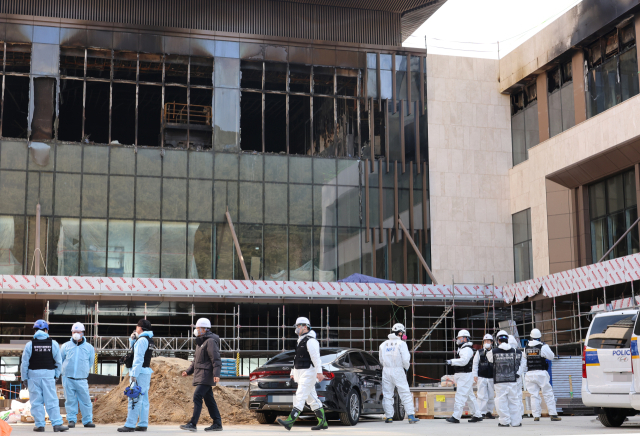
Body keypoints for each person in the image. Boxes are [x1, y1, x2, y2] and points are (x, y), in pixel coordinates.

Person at [277, 317, 327, 431]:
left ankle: (290, 421)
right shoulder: (301, 340)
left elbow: (316, 358)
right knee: (312, 399)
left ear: (305, 327)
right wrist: (292, 371)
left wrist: (319, 372)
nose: (297, 328)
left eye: (298, 326)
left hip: (309, 373)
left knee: (300, 395)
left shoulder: (311, 341)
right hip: (302, 372)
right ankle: (323, 422)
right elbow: (297, 358)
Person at [20, 320, 68, 432]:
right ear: (46, 330)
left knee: (36, 401)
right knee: (51, 400)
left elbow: (24, 364)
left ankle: (40, 425)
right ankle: (56, 424)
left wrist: (24, 378)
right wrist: (56, 375)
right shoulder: (53, 343)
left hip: (33, 377)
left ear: (35, 330)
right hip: (48, 376)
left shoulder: (29, 344)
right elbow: (59, 362)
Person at [180, 318, 223, 432]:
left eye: (198, 328)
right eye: (196, 328)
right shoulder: (200, 342)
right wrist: (188, 371)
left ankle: (193, 423)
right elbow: (195, 361)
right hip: (201, 374)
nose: (196, 330)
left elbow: (216, 358)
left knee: (197, 396)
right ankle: (217, 423)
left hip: (207, 375)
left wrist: (216, 374)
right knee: (209, 400)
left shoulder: (210, 341)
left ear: (204, 329)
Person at [118, 320, 155, 433]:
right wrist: (132, 340)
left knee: (134, 397)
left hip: (139, 373)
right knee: (143, 399)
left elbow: (138, 358)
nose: (136, 329)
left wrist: (133, 375)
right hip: (145, 373)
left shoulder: (142, 340)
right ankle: (143, 423)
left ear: (140, 328)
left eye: (137, 327)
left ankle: (130, 424)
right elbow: (136, 352)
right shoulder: (149, 340)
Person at [379, 323, 419, 424]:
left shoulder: (383, 345)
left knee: (388, 394)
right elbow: (406, 359)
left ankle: (389, 417)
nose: (404, 336)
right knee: (404, 392)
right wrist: (406, 368)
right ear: (400, 332)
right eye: (403, 333)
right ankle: (410, 415)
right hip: (398, 370)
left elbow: (380, 360)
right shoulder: (401, 344)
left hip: (386, 371)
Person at [486, 330, 526, 427]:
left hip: (499, 381)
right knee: (514, 400)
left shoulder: (493, 352)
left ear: (497, 340)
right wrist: (518, 373)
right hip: (512, 380)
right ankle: (516, 422)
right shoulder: (516, 351)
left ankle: (504, 421)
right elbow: (523, 363)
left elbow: (489, 359)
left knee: (501, 401)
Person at [61, 322, 96, 428]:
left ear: (82, 333)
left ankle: (87, 420)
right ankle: (71, 420)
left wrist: (84, 371)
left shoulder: (89, 347)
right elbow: (61, 360)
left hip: (82, 378)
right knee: (70, 400)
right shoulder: (65, 346)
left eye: (78, 332)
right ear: (71, 332)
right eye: (74, 332)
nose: (76, 333)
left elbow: (90, 362)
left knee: (85, 400)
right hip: (68, 378)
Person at [445, 330, 483, 423]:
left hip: (465, 375)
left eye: (459, 338)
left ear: (465, 338)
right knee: (469, 396)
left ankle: (456, 416)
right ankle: (477, 414)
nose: (458, 340)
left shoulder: (467, 349)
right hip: (463, 375)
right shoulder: (462, 349)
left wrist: (452, 361)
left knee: (460, 395)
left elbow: (464, 361)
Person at [525, 328, 561, 422]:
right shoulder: (543, 347)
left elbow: (524, 361)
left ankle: (536, 416)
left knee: (534, 395)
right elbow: (551, 356)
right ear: (540, 337)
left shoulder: (526, 348)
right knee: (548, 393)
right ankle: (553, 414)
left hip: (530, 374)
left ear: (531, 337)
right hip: (541, 373)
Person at [472, 334, 495, 419]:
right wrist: (475, 375)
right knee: (481, 395)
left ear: (492, 342)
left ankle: (489, 412)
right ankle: (481, 412)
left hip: (491, 377)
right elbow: (475, 364)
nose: (486, 342)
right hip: (481, 376)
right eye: (485, 341)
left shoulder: (494, 352)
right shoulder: (479, 352)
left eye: (488, 341)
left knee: (491, 396)